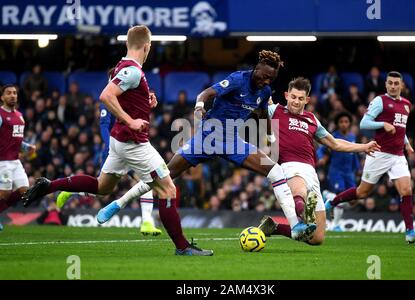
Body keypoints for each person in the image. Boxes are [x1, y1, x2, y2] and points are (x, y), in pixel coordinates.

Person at [21, 25, 208, 255]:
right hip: (133, 142)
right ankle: (183, 247)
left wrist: (144, 101)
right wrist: (130, 120)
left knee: (103, 186)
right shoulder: (133, 71)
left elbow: (122, 94)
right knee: (168, 189)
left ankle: (49, 185)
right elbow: (106, 96)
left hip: (118, 141)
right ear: (147, 46)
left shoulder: (122, 66)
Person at [98, 50, 317, 244]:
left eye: (271, 78)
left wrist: (269, 137)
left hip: (232, 140)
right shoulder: (237, 80)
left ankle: (295, 225)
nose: (266, 80)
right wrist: (199, 107)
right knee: (163, 174)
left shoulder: (265, 92)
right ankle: (118, 203)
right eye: (264, 75)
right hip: (208, 137)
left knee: (275, 171)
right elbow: (206, 94)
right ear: (256, 68)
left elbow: (260, 114)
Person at [257, 77, 380, 245]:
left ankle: (275, 227)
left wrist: (363, 147)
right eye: (293, 97)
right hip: (288, 165)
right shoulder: (275, 111)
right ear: (286, 95)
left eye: (300, 98)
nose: (296, 101)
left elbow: (335, 143)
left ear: (307, 100)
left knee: (317, 238)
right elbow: (258, 101)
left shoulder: (312, 120)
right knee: (299, 190)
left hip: (311, 171)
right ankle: (303, 212)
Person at [324, 71, 415, 244]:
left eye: (397, 83)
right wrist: (383, 124)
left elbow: (400, 128)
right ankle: (332, 202)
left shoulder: (406, 104)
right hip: (379, 152)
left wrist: (407, 143)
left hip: (398, 156)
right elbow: (364, 123)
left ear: (402, 85)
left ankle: (410, 231)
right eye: (390, 83)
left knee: (406, 190)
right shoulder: (380, 101)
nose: (393, 86)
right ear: (386, 84)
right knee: (362, 192)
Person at [56, 99, 162, 236]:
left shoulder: (131, 95)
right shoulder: (109, 99)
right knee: (103, 189)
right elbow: (104, 126)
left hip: (132, 146)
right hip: (115, 149)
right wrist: (110, 145)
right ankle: (72, 190)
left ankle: (147, 222)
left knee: (148, 180)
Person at [0, 84, 36, 231]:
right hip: (3, 162)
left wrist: (28, 147)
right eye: (8, 93)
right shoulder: (0, 115)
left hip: (15, 161)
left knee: (25, 192)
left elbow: (17, 140)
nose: (12, 95)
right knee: (4, 193)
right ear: (2, 97)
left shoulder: (20, 116)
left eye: (14, 93)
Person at [319, 112, 361, 231]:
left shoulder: (353, 137)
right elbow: (321, 149)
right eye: (341, 122)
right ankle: (336, 225)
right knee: (341, 197)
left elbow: (354, 155)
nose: (343, 124)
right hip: (336, 172)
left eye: (346, 122)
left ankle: (327, 195)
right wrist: (321, 158)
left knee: (353, 200)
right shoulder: (333, 136)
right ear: (338, 124)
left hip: (349, 174)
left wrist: (358, 168)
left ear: (349, 124)